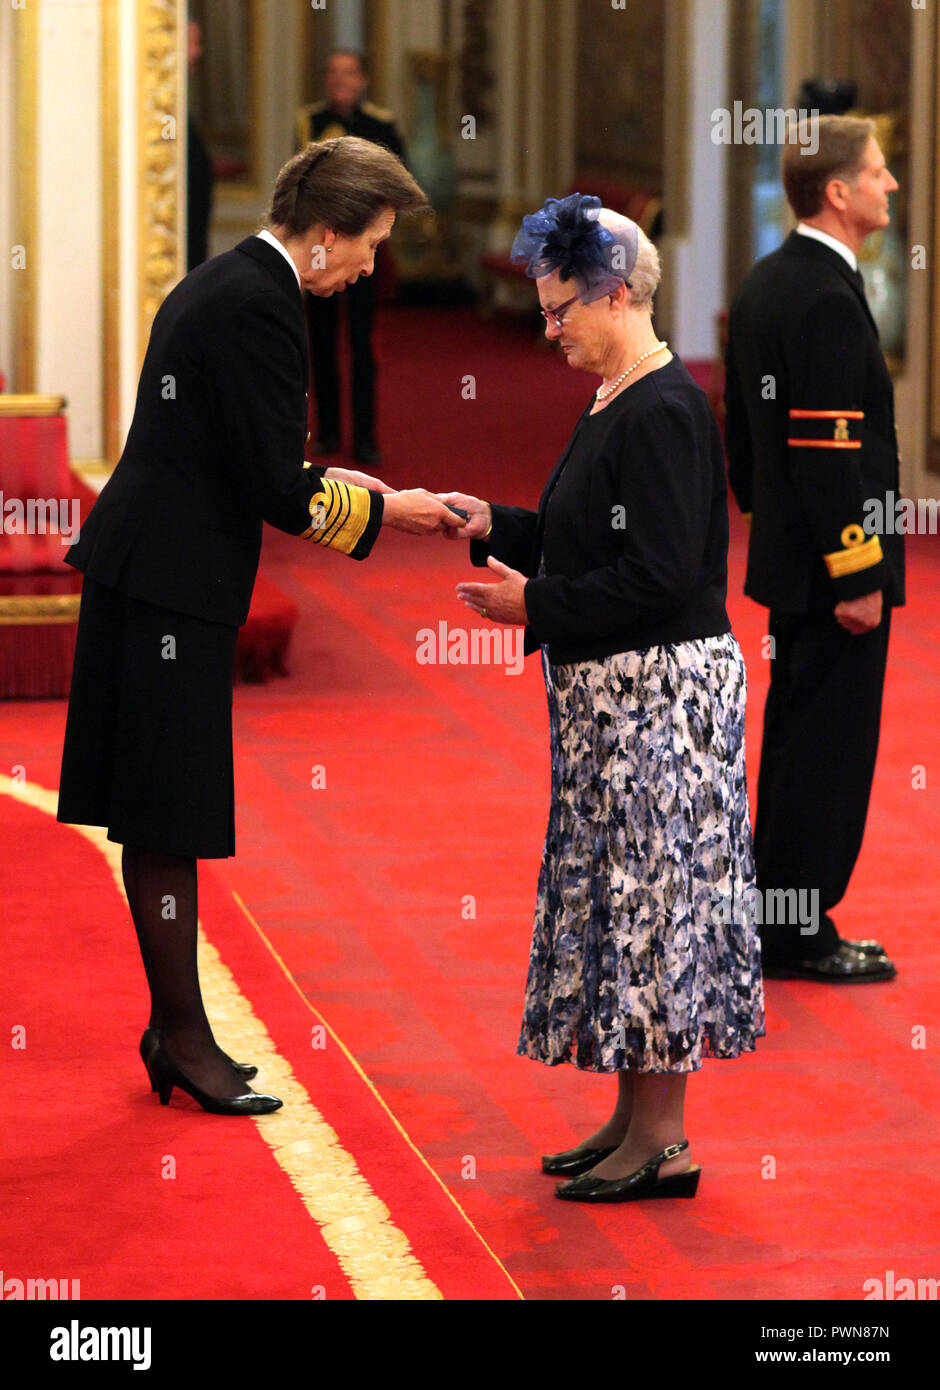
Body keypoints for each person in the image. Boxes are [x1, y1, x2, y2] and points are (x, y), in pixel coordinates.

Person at [57, 136, 461, 1116]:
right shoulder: (262, 307)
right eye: (367, 246)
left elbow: (250, 456)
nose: (370, 267)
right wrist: (389, 512)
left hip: (154, 571)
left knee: (164, 814)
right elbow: (278, 494)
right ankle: (182, 1037)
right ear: (325, 234)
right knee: (168, 814)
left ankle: (178, 1029)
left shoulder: (231, 282)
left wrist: (337, 481)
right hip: (169, 587)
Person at [442, 194, 764, 1202]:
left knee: (655, 905)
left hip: (658, 704)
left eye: (558, 309)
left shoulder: (663, 408)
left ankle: (663, 1139)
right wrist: (492, 520)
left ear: (615, 294)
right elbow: (597, 540)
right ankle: (632, 1117)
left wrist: (528, 602)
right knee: (620, 903)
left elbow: (658, 578)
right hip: (614, 704)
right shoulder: (617, 395)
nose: (548, 328)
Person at [723, 115, 904, 983]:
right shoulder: (827, 297)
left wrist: (778, 534)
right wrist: (858, 572)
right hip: (837, 576)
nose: (891, 186)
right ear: (838, 192)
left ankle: (779, 919)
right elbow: (833, 458)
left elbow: (747, 449)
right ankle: (798, 932)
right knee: (824, 755)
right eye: (878, 172)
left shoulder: (766, 282)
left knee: (796, 744)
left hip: (793, 565)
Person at [296, 50, 406, 464]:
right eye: (332, 72)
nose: (339, 80)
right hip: (321, 252)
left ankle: (364, 437)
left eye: (348, 73)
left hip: (362, 251)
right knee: (320, 340)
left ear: (362, 80)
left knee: (363, 343)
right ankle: (325, 431)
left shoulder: (381, 124)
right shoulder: (309, 121)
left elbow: (398, 183)